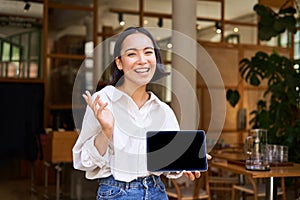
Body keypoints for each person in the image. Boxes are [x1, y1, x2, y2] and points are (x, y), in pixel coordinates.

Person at [72, 26, 209, 200]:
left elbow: (167, 162)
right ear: (119, 63)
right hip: (117, 192)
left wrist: (188, 160)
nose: (142, 60)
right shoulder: (103, 101)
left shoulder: (163, 110)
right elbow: (84, 161)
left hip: (156, 191)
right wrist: (106, 131)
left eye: (148, 52)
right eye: (132, 54)